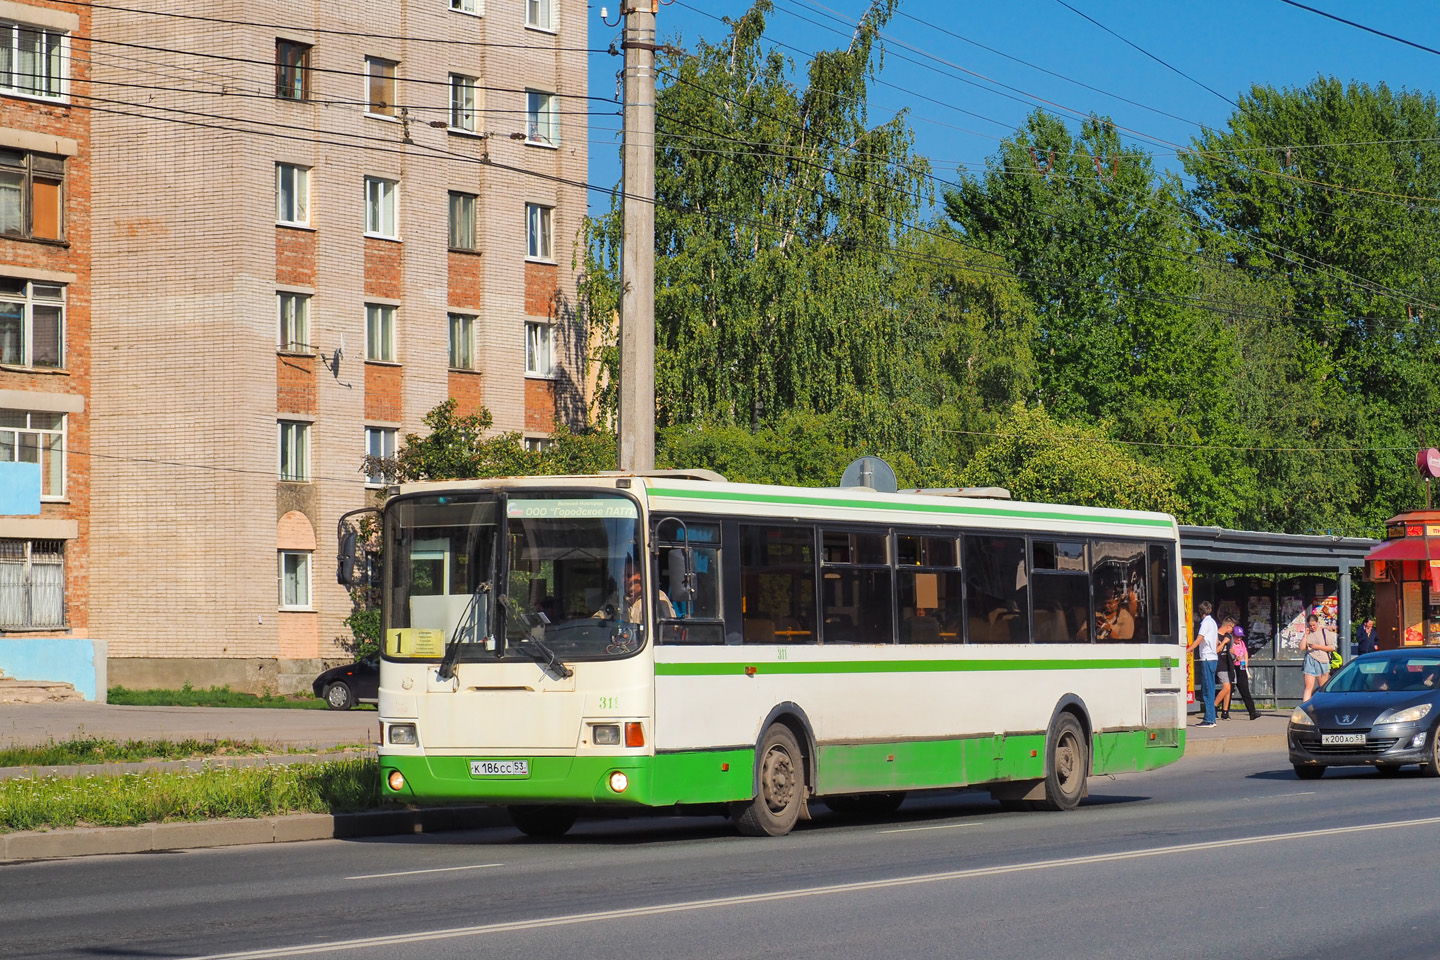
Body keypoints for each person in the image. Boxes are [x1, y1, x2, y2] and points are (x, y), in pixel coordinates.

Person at [1187, 600, 1219, 727]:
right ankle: (1210, 717)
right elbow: (1216, 641)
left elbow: (1199, 639)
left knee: (1207, 690)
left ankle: (1209, 719)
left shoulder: (1205, 623)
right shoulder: (1213, 623)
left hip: (1206, 658)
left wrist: (1188, 650)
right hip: (1213, 657)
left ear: (1201, 612)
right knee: (1210, 688)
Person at [1300, 612, 1335, 702]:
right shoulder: (1308, 633)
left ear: (1317, 622)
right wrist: (1306, 635)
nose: (1312, 627)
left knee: (1322, 687)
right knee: (1308, 686)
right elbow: (1302, 647)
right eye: (1310, 626)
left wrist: (1317, 647)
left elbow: (1331, 648)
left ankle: (1322, 705)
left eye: (1314, 625)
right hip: (1310, 659)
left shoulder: (1324, 632)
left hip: (1322, 660)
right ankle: (1305, 707)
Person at [1229, 624, 1260, 720]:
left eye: (1240, 637)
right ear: (1232, 635)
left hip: (1242, 667)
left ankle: (1252, 712)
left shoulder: (1242, 643)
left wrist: (1246, 662)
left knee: (1245, 690)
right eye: (1237, 637)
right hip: (1234, 668)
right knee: (1228, 690)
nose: (1239, 639)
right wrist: (1235, 658)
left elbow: (1245, 652)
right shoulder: (1231, 645)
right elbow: (1229, 658)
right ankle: (1223, 711)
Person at [1214, 617, 1236, 719]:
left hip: (1228, 663)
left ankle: (1225, 711)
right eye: (1232, 627)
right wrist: (1223, 643)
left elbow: (1231, 649)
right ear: (1228, 626)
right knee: (1226, 687)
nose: (1232, 630)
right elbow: (1215, 650)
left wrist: (1232, 653)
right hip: (1219, 663)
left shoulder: (1229, 636)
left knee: (1229, 688)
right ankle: (1214, 706)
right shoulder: (1216, 635)